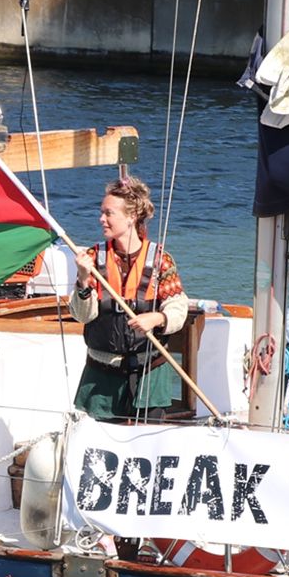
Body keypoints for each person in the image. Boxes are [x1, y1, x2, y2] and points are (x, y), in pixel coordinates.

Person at [70, 177, 188, 419]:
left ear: (131, 217)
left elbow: (178, 309)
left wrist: (157, 318)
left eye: (109, 213)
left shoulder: (160, 260)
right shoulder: (92, 259)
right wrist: (82, 279)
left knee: (150, 436)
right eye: (101, 212)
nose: (101, 219)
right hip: (102, 376)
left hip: (149, 373)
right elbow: (83, 315)